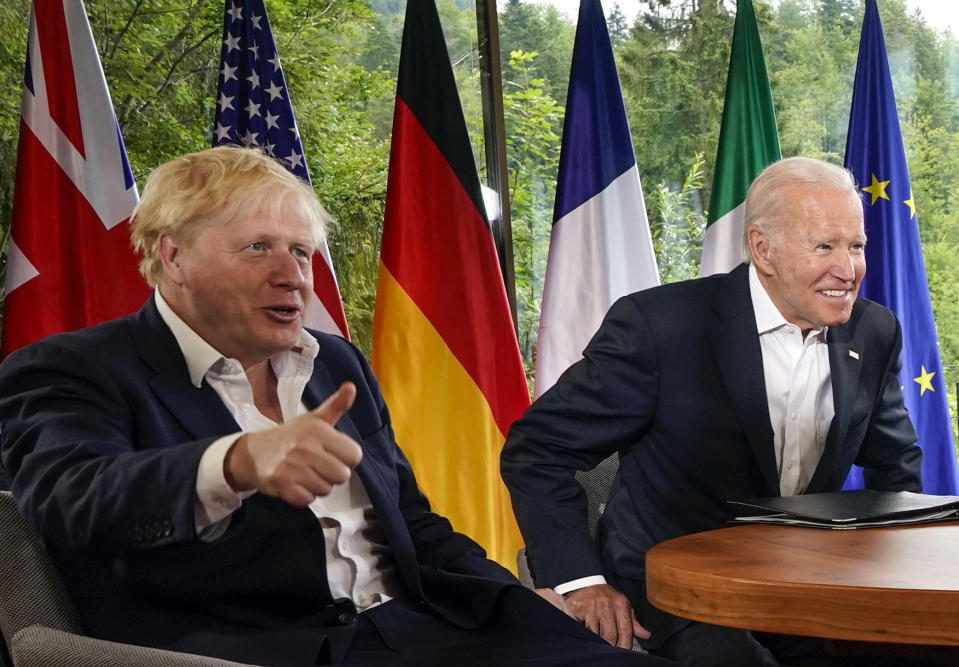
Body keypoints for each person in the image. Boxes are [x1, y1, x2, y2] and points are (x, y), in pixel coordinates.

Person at [0, 146, 675, 667]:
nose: (292, 273)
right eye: (258, 246)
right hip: (265, 650)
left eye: (300, 251)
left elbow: (413, 522)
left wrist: (512, 593)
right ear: (172, 255)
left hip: (429, 624)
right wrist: (232, 463)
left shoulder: (335, 362)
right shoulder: (73, 368)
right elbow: (71, 500)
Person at [501, 156, 923, 667]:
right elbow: (536, 449)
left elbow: (894, 465)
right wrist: (581, 581)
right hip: (675, 591)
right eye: (825, 246)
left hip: (803, 583)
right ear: (763, 249)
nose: (848, 268)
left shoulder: (874, 331)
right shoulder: (661, 327)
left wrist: (901, 580)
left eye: (856, 245)